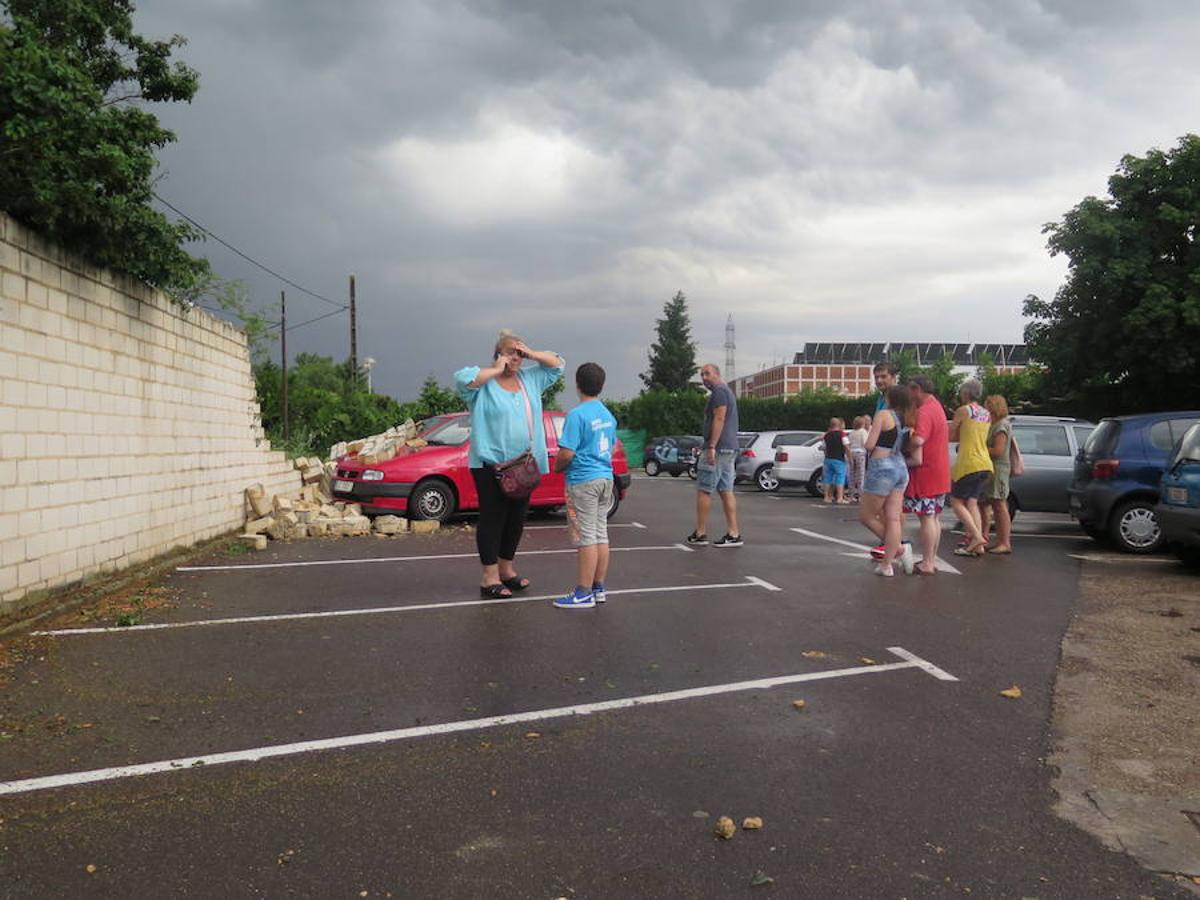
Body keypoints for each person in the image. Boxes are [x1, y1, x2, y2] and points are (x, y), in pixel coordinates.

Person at [455, 330, 564, 598]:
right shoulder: (483, 385)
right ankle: (488, 576)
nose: (515, 357)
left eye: (518, 353)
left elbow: (558, 364)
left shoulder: (530, 379)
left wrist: (532, 353)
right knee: (493, 517)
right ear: (497, 354)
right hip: (490, 464)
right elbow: (463, 378)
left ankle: (507, 570)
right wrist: (495, 369)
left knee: (516, 517)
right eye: (509, 352)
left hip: (524, 464)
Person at [553, 363, 618, 609]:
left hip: (583, 481)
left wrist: (557, 467)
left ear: (577, 384)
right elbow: (610, 448)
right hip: (605, 478)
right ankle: (598, 587)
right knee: (601, 533)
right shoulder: (607, 415)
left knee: (586, 537)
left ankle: (583, 592)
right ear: (601, 386)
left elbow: (566, 453)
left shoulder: (577, 415)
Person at [859, 386, 914, 575]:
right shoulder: (909, 417)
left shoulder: (883, 414)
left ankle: (897, 549)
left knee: (866, 516)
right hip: (900, 466)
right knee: (893, 518)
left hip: (882, 466)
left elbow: (869, 444)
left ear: (891, 399)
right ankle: (887, 564)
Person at [687, 363, 742, 547]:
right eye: (702, 375)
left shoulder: (719, 392)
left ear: (717, 374)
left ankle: (701, 533)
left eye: (707, 374)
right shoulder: (727, 391)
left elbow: (719, 418)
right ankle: (733, 533)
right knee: (726, 490)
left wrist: (711, 446)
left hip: (718, 449)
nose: (704, 378)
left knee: (704, 489)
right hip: (729, 448)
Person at [903, 375, 951, 576]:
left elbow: (919, 440)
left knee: (926, 518)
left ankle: (928, 563)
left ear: (917, 390)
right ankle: (930, 559)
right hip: (940, 471)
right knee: (934, 517)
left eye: (910, 391)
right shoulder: (937, 407)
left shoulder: (925, 411)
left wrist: (904, 446)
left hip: (927, 473)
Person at [948, 379, 994, 558]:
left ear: (966, 393)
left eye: (961, 392)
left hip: (968, 463)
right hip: (984, 462)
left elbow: (952, 435)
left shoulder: (963, 410)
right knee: (972, 502)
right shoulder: (986, 413)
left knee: (956, 502)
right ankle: (979, 541)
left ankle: (975, 537)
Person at [979, 394, 1014, 555]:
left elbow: (998, 451)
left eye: (987, 406)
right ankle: (987, 537)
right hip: (991, 469)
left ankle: (1004, 542)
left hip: (998, 470)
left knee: (1000, 506)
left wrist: (978, 449)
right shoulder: (993, 424)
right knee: (986, 503)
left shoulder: (1001, 426)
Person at [822, 417, 851, 504]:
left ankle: (827, 497)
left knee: (827, 478)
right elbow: (846, 447)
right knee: (840, 478)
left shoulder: (826, 435)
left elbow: (824, 447)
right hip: (839, 459)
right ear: (839, 425)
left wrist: (826, 456)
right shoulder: (842, 434)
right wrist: (850, 457)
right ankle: (839, 498)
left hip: (828, 459)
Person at [848, 414, 871, 501]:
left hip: (852, 452)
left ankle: (851, 494)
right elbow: (865, 443)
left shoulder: (852, 432)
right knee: (861, 474)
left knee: (852, 474)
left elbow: (849, 443)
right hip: (860, 453)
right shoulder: (863, 432)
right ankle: (861, 494)